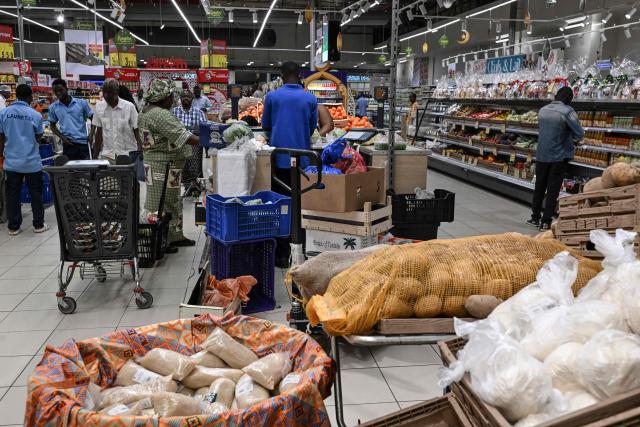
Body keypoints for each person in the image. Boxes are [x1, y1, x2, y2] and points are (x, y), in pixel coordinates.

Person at [261, 61, 317, 267]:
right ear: (299, 74)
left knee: (280, 206)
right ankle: (300, 249)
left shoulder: (272, 97)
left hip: (279, 160)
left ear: (282, 75)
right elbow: (312, 128)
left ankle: (281, 255)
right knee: (299, 205)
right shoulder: (310, 98)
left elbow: (265, 126)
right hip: (302, 161)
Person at [138, 79, 201, 251]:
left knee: (169, 201)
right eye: (171, 95)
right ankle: (160, 241)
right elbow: (183, 136)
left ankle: (173, 236)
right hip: (162, 167)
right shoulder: (160, 114)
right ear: (163, 96)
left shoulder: (146, 110)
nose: (174, 98)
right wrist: (211, 140)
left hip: (161, 165)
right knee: (161, 204)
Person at [527, 86, 584, 231]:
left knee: (539, 186)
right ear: (569, 99)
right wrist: (573, 138)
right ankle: (546, 221)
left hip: (541, 154)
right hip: (558, 156)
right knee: (552, 189)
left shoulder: (543, 110)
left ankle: (534, 217)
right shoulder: (568, 111)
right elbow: (579, 133)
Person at [0, 84, 48, 235]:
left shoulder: (4, 113)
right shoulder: (35, 115)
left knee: (13, 194)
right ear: (30, 97)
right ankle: (38, 225)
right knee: (36, 193)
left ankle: (13, 227)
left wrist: (2, 154)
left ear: (16, 96)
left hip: (12, 161)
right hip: (31, 161)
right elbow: (39, 136)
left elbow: (1, 136)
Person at [91, 79, 142, 163]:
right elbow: (99, 134)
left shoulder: (129, 107)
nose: (106, 96)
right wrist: (95, 157)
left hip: (128, 155)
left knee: (127, 176)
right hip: (107, 156)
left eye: (109, 92)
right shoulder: (99, 107)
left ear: (116, 92)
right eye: (104, 92)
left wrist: (139, 153)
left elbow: (137, 131)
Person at [171, 89, 206, 196]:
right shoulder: (173, 112)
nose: (186, 98)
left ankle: (194, 187)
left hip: (194, 145)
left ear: (192, 99)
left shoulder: (199, 112)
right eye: (184, 96)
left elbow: (204, 129)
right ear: (180, 99)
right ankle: (183, 187)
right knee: (181, 167)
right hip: (178, 145)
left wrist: (193, 131)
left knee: (194, 167)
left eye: (188, 97)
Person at [49, 78, 94, 160]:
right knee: (71, 171)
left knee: (87, 170)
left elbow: (94, 119)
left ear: (66, 89)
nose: (58, 93)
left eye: (61, 90)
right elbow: (52, 126)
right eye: (56, 91)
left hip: (84, 143)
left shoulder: (81, 103)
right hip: (68, 145)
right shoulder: (53, 107)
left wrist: (91, 134)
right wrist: (62, 137)